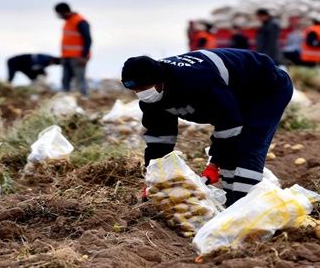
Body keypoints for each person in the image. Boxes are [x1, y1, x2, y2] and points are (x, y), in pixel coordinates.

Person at [121, 49, 293, 206]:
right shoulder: (152, 99)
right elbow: (159, 139)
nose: (141, 93)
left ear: (159, 81)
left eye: (144, 88)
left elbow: (229, 125)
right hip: (233, 95)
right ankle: (232, 204)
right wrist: (155, 180)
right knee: (231, 154)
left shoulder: (196, 81)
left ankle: (244, 208)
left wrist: (214, 163)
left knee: (247, 147)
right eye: (135, 90)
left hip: (266, 87)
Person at [55, 2, 91, 96]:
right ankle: (65, 100)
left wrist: (83, 56)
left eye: (59, 13)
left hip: (78, 58)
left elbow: (88, 39)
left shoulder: (80, 21)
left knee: (80, 80)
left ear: (64, 12)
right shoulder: (67, 22)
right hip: (66, 57)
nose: (59, 16)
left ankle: (83, 99)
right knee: (65, 80)